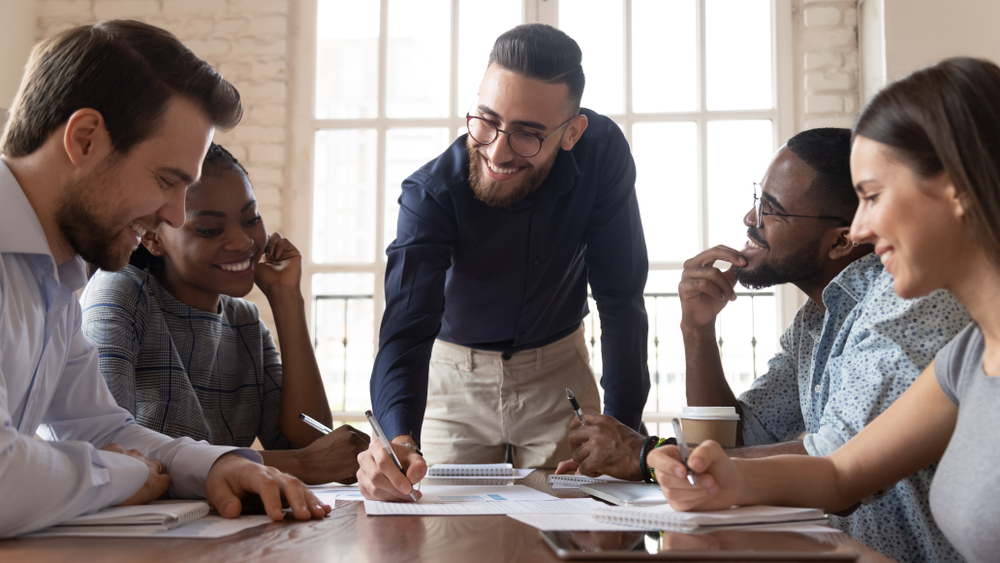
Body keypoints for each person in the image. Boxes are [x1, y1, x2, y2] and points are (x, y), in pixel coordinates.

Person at [558, 128, 968, 562]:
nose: (749, 219)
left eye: (771, 210)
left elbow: (837, 460)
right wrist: (697, 331)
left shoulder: (905, 301)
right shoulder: (814, 320)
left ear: (843, 239)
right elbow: (738, 441)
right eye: (758, 198)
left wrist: (646, 455)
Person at [650, 56, 1000, 563]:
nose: (858, 231)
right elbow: (841, 474)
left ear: (956, 189)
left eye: (873, 196)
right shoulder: (969, 356)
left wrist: (654, 459)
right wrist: (722, 475)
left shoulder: (919, 314)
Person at [0, 20, 329, 537]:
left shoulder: (55, 281)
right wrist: (126, 473)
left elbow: (102, 428)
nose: (174, 215)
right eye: (166, 180)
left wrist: (220, 465)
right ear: (85, 140)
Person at [358, 23, 649, 502]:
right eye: (487, 120)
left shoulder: (603, 154)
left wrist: (621, 428)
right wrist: (398, 438)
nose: (497, 150)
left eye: (528, 135)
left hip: (560, 375)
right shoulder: (430, 193)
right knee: (441, 535)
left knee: (580, 531)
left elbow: (620, 298)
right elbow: (407, 329)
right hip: (453, 382)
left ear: (572, 132)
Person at [81, 143, 369, 485]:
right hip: (146, 533)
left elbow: (311, 442)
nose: (243, 241)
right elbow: (109, 452)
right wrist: (300, 465)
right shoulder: (120, 293)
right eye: (209, 230)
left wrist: (286, 298)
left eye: (251, 219)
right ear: (153, 238)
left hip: (222, 528)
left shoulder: (244, 322)